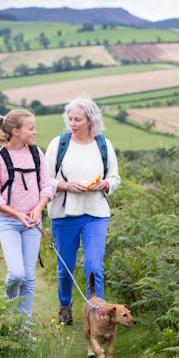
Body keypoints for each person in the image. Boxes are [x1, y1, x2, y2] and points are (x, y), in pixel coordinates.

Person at [45, 95, 120, 325]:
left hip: (96, 212)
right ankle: (65, 306)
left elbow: (115, 177)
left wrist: (105, 184)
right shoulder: (59, 144)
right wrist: (65, 185)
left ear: (90, 120)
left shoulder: (103, 145)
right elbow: (45, 180)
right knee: (65, 268)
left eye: (78, 119)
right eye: (70, 118)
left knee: (94, 265)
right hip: (64, 214)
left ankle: (98, 316)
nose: (73, 123)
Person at [0, 109, 53, 317]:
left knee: (29, 278)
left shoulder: (36, 153)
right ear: (15, 131)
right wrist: (17, 214)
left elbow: (47, 186)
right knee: (17, 273)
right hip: (9, 223)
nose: (35, 132)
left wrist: (38, 209)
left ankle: (24, 329)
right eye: (30, 128)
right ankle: (6, 308)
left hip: (33, 223)